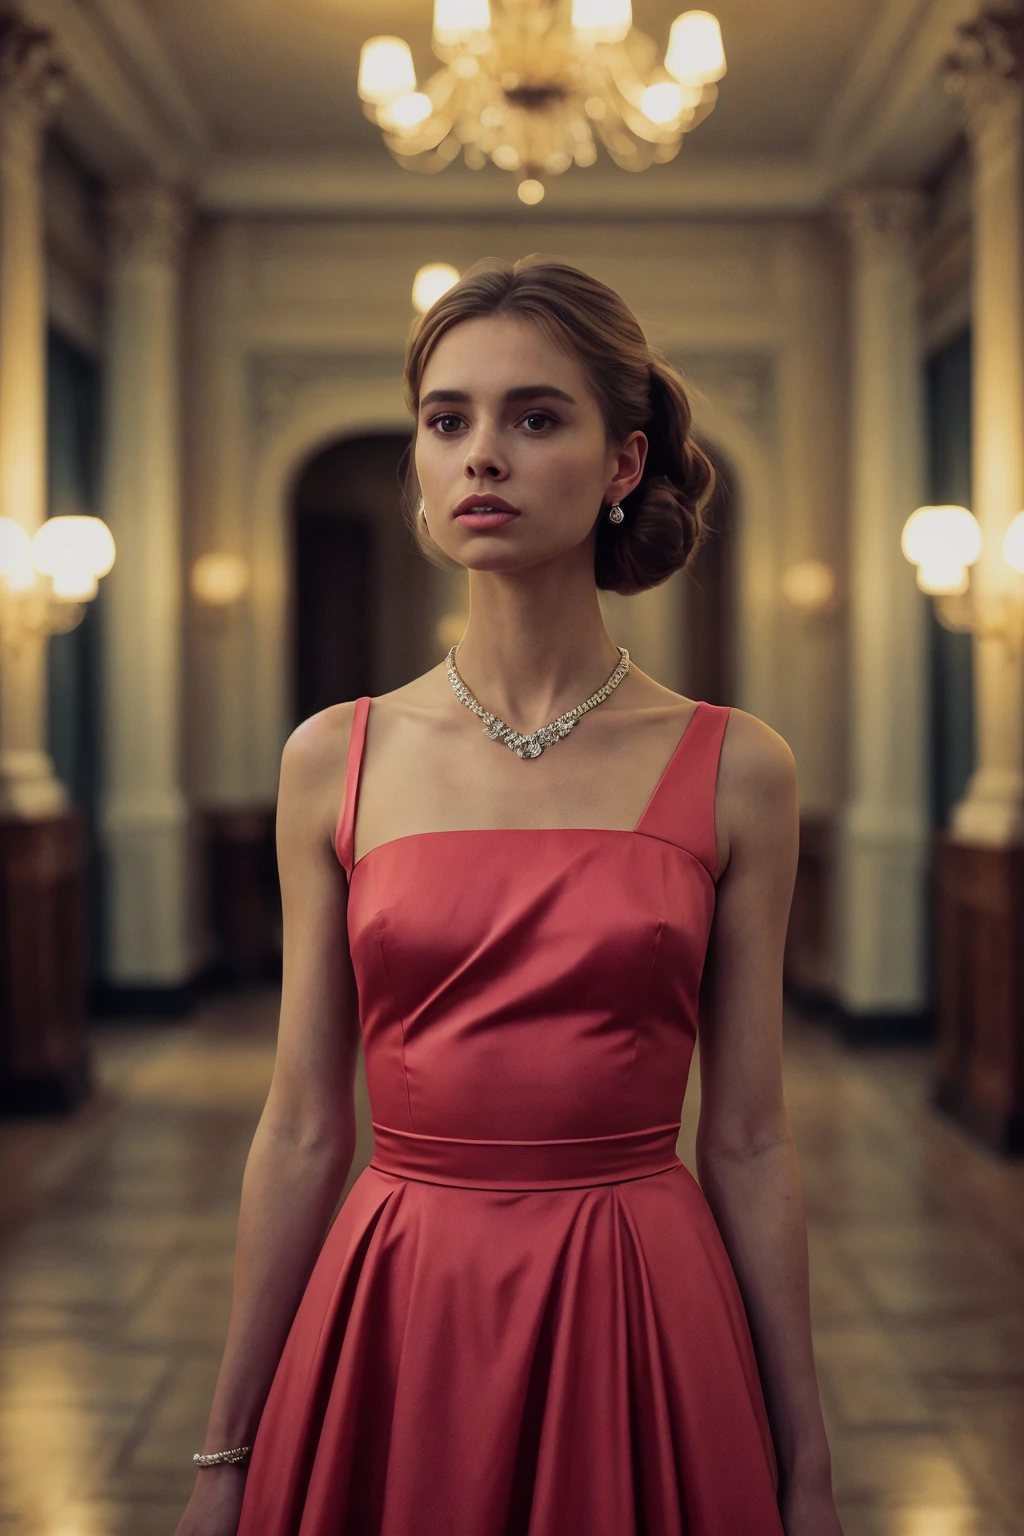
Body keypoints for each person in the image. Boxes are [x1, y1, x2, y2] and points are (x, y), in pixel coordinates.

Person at [175, 255, 843, 1536]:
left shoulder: (738, 765)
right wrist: (224, 1459)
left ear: (620, 465)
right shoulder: (334, 756)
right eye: (447, 421)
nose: (481, 454)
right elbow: (306, 1128)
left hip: (639, 1295)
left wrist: (803, 1461)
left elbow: (750, 1137)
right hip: (398, 1294)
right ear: (421, 469)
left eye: (535, 418)